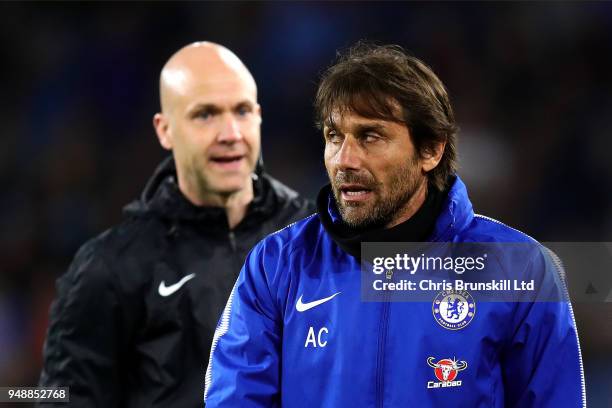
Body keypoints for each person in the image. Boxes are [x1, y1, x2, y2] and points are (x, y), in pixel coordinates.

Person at [204, 43, 585, 407]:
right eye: (334, 136)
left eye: (370, 136)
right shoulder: (277, 265)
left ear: (431, 150)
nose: (344, 160)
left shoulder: (520, 267)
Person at [38, 42, 314, 407]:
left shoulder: (316, 235)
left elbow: (408, 286)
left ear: (260, 116)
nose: (230, 132)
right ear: (164, 129)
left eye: (242, 111)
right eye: (205, 114)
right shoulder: (111, 266)